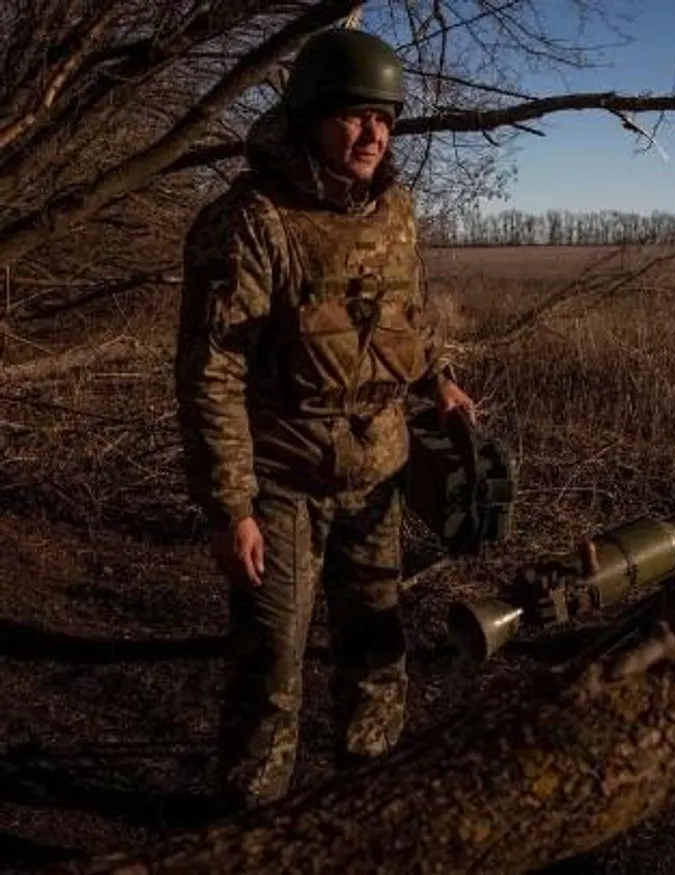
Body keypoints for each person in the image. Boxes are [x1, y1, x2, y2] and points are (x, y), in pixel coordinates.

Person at [174, 27, 476, 810]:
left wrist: (438, 379)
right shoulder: (251, 221)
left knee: (377, 648)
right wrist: (232, 505)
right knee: (273, 664)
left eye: (386, 117)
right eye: (354, 116)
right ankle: (251, 823)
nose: (375, 133)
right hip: (284, 481)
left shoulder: (396, 209)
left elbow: (405, 312)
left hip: (379, 472)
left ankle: (364, 807)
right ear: (310, 116)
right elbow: (212, 372)